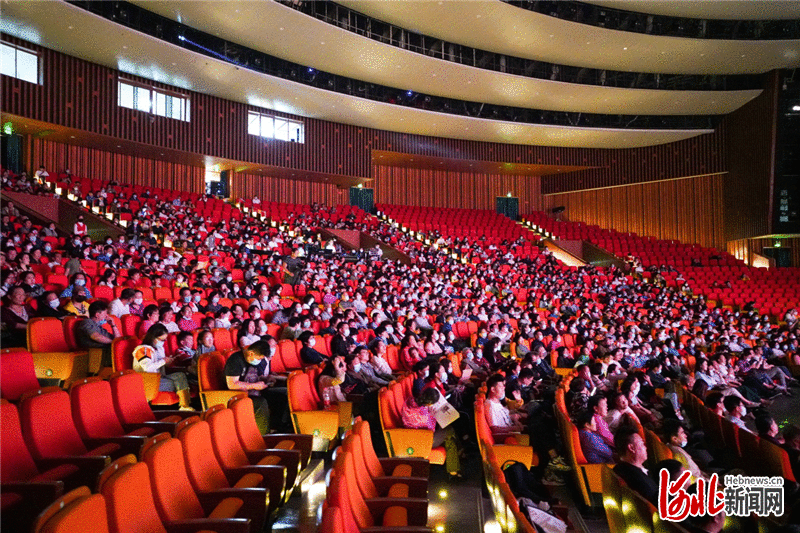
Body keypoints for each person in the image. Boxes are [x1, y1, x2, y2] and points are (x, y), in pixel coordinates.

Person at [224, 340, 289, 433]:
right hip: (239, 394)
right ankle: (264, 434)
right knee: (261, 403)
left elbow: (255, 376)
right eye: (259, 358)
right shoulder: (235, 360)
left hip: (255, 390)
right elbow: (232, 384)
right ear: (251, 353)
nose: (259, 361)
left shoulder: (254, 360)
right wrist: (254, 386)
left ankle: (277, 427)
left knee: (283, 394)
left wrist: (266, 379)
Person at [401, 387, 461, 477]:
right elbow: (431, 429)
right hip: (422, 440)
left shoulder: (410, 399)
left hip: (412, 434)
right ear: (429, 403)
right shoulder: (423, 415)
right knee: (449, 430)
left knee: (449, 438)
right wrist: (435, 415)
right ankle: (455, 465)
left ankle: (453, 469)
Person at [132, 324, 193, 410]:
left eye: (165, 340)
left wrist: (167, 362)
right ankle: (184, 406)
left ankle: (184, 405)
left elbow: (160, 365)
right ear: (153, 337)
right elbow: (147, 368)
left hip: (160, 378)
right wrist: (163, 361)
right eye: (162, 340)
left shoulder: (160, 349)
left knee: (181, 375)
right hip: (147, 382)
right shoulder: (142, 349)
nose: (163, 342)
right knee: (180, 383)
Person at [613, 426, 659, 504]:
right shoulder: (637, 479)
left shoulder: (620, 468)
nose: (645, 447)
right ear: (631, 448)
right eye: (642, 443)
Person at [75, 301, 121, 369]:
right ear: (97, 315)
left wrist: (113, 325)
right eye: (105, 313)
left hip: (107, 350)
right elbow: (95, 336)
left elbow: (118, 338)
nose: (107, 316)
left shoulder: (99, 326)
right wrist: (114, 343)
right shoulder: (87, 322)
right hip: (98, 352)